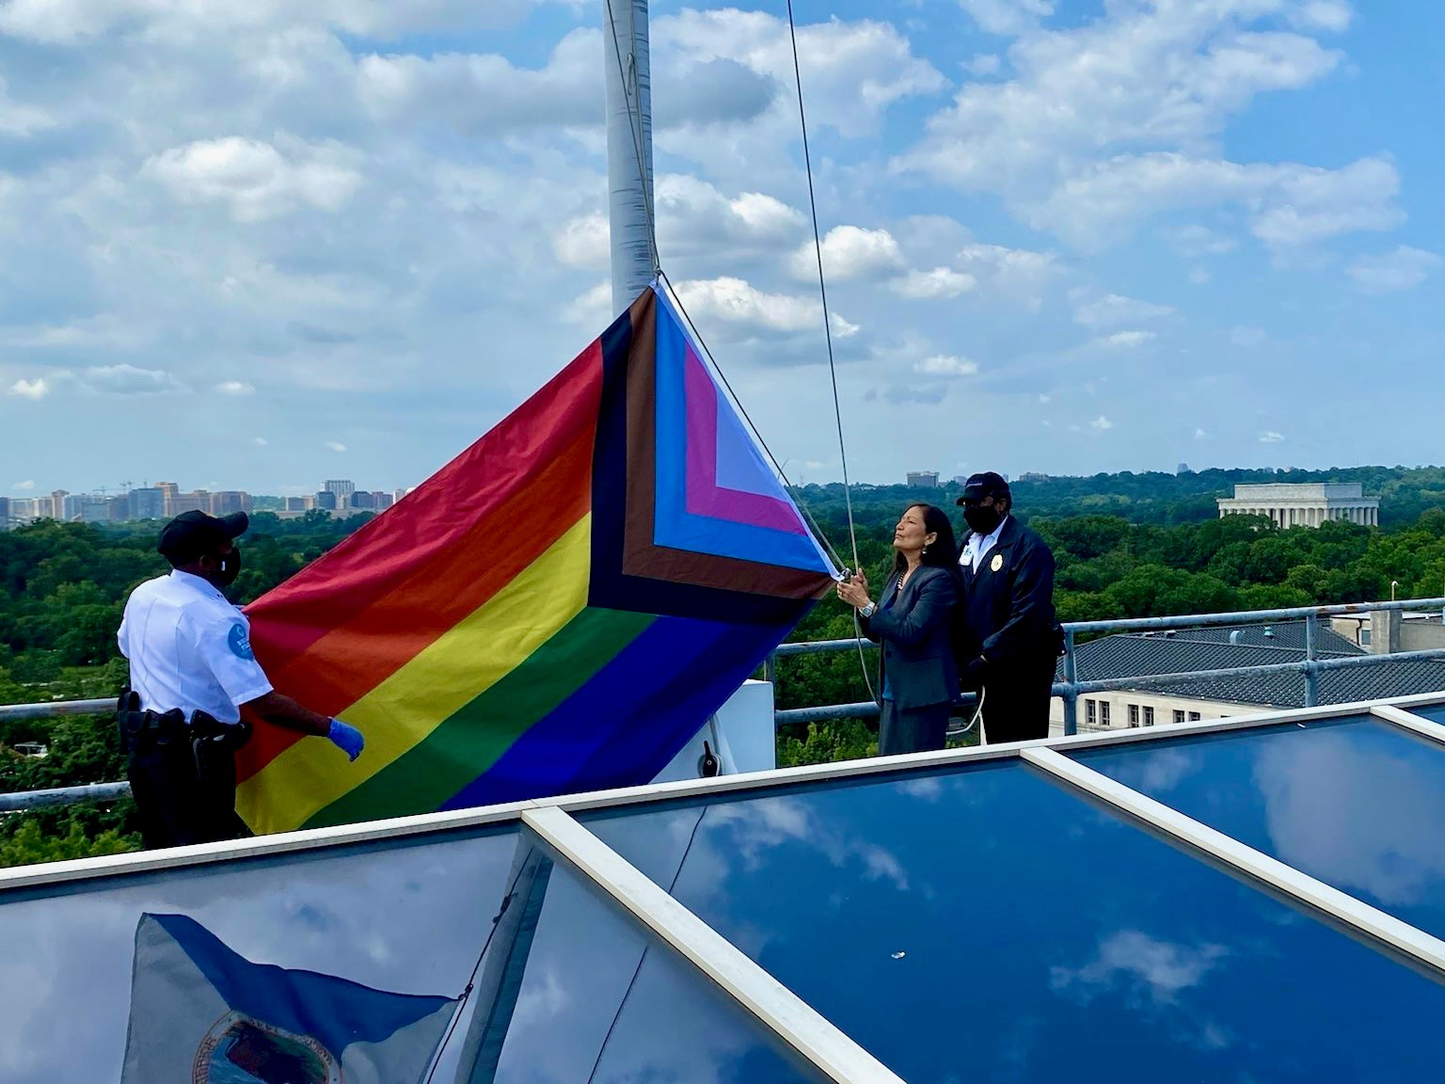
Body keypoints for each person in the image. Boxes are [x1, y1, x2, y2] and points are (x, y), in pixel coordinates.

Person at [117, 510, 365, 849]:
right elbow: (263, 704)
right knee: (203, 857)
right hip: (191, 762)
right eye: (227, 547)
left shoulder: (145, 594)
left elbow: (127, 646)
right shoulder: (216, 620)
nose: (233, 553)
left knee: (160, 854)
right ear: (206, 562)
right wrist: (329, 728)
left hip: (144, 748)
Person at [837, 503, 960, 756]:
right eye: (901, 520)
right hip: (894, 691)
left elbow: (911, 632)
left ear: (931, 537)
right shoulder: (899, 575)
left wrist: (867, 604)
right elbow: (879, 632)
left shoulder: (938, 579)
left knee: (917, 775)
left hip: (923, 695)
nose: (900, 526)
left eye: (911, 522)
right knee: (891, 770)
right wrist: (864, 605)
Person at [951, 472, 1061, 744]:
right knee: (996, 740)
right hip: (982, 665)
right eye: (966, 504)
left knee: (1022, 743)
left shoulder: (1028, 547)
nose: (970, 510)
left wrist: (990, 655)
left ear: (1000, 504)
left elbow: (1030, 611)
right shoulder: (966, 543)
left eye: (978, 503)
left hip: (1022, 668)